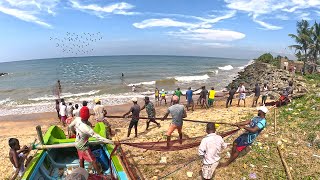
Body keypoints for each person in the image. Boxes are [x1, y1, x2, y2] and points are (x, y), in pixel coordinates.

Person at [68, 106, 113, 175]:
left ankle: (81, 173)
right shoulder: (87, 129)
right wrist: (112, 142)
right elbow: (99, 138)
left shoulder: (77, 119)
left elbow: (70, 126)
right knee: (93, 161)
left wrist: (74, 132)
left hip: (76, 143)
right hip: (83, 147)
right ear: (88, 116)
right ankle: (101, 176)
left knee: (81, 158)